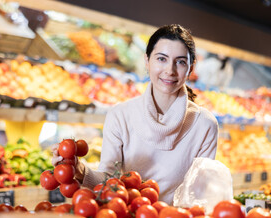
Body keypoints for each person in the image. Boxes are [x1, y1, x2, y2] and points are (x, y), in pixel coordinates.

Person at [52, 24, 219, 205]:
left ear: (190, 68)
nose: (169, 70)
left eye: (180, 61)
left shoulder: (204, 124)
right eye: (161, 59)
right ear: (147, 61)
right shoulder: (120, 116)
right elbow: (110, 180)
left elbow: (200, 194)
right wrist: (79, 169)